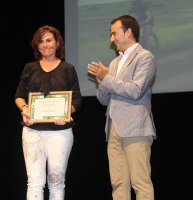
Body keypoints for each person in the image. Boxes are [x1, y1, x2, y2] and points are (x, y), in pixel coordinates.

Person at [87, 15, 156, 200]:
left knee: (140, 183)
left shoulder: (145, 57)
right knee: (118, 184)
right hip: (113, 130)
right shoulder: (114, 63)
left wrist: (107, 78)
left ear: (128, 32)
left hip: (136, 128)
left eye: (114, 33)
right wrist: (101, 81)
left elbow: (136, 91)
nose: (111, 39)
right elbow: (103, 100)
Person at [15, 25, 82, 200]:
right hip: (32, 131)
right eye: (41, 41)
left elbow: (76, 100)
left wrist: (67, 113)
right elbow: (19, 97)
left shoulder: (68, 69)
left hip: (60, 132)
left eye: (49, 40)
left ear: (57, 42)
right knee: (35, 182)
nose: (45, 45)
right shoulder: (30, 68)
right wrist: (25, 109)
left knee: (56, 181)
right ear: (37, 46)